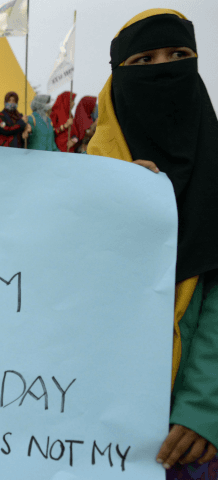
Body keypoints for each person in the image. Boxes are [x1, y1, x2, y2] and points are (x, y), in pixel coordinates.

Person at [88, 9, 218, 479]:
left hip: (188, 438)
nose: (164, 69)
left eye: (179, 55)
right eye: (144, 60)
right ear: (118, 78)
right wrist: (111, 211)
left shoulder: (214, 175)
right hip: (89, 423)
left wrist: (203, 409)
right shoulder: (81, 181)